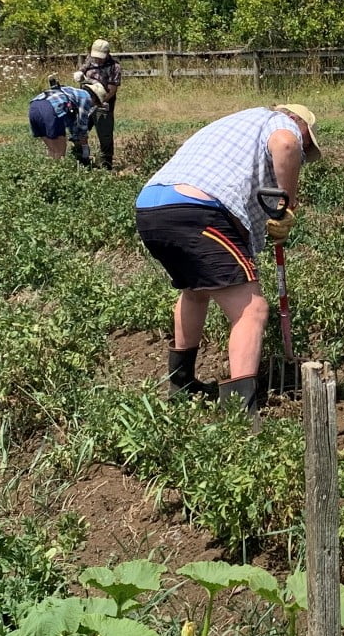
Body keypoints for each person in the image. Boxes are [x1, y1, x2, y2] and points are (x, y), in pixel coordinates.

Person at [135, 104, 322, 413]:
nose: (302, 153)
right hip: (198, 212)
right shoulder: (282, 124)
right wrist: (287, 207)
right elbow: (286, 145)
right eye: (306, 146)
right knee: (252, 310)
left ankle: (181, 385)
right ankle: (239, 413)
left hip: (152, 206)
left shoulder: (233, 124)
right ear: (300, 124)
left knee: (195, 293)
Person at [28, 75, 98, 165]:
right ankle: (59, 175)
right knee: (60, 152)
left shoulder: (70, 93)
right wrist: (84, 145)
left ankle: (48, 173)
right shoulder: (86, 97)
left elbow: (71, 122)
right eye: (95, 103)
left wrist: (75, 137)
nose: (92, 106)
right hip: (50, 108)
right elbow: (82, 123)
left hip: (34, 106)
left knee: (52, 150)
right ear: (94, 97)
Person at [77, 39, 122, 169]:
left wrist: (100, 101)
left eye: (101, 57)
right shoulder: (89, 59)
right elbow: (83, 70)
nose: (98, 60)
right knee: (80, 131)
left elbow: (112, 89)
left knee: (105, 135)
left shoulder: (115, 67)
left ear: (107, 53)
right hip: (85, 101)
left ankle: (106, 165)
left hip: (103, 102)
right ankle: (82, 159)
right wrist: (80, 74)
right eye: (96, 57)